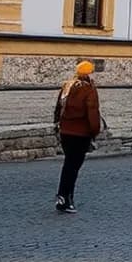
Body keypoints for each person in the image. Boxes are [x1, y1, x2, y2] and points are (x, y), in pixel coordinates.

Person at [52, 60, 101, 213]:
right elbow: (92, 112)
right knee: (73, 167)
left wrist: (57, 124)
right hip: (81, 132)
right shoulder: (89, 89)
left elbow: (58, 107)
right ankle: (65, 197)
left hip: (65, 130)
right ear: (89, 73)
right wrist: (95, 131)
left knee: (68, 164)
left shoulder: (67, 85)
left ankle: (64, 196)